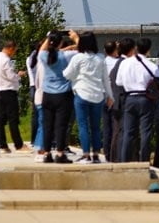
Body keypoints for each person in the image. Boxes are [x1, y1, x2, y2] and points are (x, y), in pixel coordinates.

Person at [62, 30, 113, 162]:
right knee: (96, 127)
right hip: (98, 96)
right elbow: (105, 79)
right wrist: (110, 96)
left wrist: (76, 76)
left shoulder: (78, 58)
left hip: (82, 94)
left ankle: (86, 154)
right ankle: (96, 154)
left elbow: (67, 74)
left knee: (83, 126)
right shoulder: (101, 58)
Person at [115, 37, 159, 162]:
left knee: (128, 132)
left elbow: (118, 82)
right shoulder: (152, 66)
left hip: (129, 98)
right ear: (149, 50)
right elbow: (157, 84)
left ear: (136, 48)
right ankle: (144, 160)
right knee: (145, 132)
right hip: (146, 99)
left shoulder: (125, 63)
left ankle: (124, 161)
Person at [38, 31, 75, 163]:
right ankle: (60, 153)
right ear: (61, 43)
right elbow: (82, 48)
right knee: (61, 126)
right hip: (63, 94)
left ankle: (47, 153)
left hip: (47, 94)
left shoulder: (44, 56)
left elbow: (42, 49)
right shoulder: (66, 56)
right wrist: (75, 37)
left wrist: (49, 38)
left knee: (47, 125)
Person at [0, 40, 26, 153]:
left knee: (1, 119)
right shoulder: (5, 60)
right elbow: (10, 76)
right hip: (9, 91)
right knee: (13, 119)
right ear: (10, 48)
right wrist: (18, 75)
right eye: (14, 50)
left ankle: (2, 144)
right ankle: (18, 144)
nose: (14, 53)